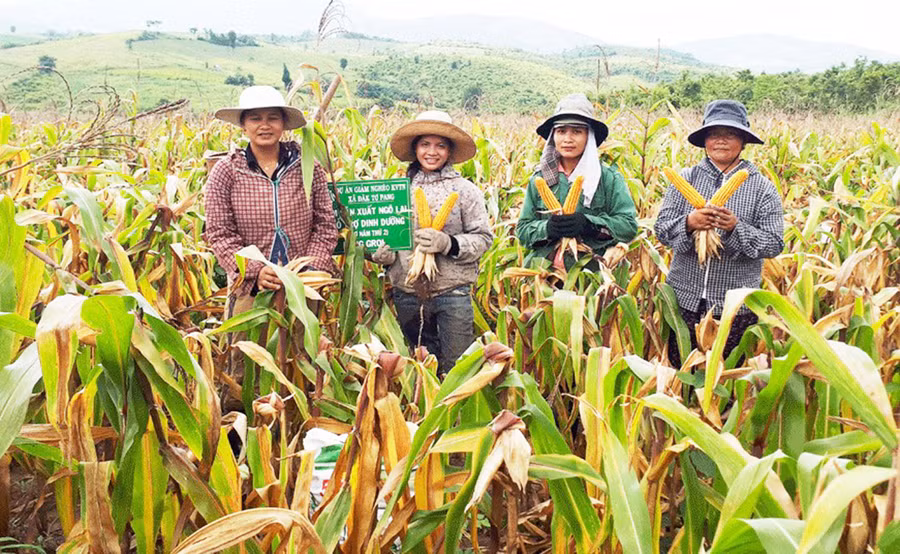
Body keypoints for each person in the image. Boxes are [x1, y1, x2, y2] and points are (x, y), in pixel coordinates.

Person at [204, 85, 338, 384]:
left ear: (283, 124)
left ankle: (297, 424)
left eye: (272, 118)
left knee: (301, 359)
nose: (264, 125)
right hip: (250, 289)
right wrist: (255, 270)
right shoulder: (227, 171)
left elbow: (326, 225)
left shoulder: (307, 166)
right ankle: (247, 424)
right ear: (243, 125)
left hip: (302, 286)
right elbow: (219, 232)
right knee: (246, 363)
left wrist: (309, 268)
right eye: (255, 118)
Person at [654, 99, 784, 367]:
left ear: (743, 141)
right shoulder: (686, 179)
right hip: (684, 300)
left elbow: (774, 243)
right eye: (714, 134)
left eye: (731, 134)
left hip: (735, 306)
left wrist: (736, 228)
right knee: (681, 374)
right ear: (704, 140)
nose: (721, 141)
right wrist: (689, 222)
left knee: (727, 380)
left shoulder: (762, 188)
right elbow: (662, 230)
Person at [372, 111, 493, 374]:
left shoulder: (465, 191)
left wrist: (448, 243)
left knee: (457, 370)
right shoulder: (397, 191)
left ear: (449, 151)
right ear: (415, 148)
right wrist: (385, 256)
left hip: (453, 292)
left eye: (440, 145)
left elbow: (483, 238)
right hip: (407, 292)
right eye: (425, 144)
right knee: (416, 369)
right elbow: (389, 239)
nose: (432, 152)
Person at [516, 93, 637, 269]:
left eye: (577, 132)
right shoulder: (541, 179)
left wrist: (590, 225)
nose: (567, 139)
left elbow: (628, 226)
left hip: (591, 275)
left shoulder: (608, 178)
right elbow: (523, 231)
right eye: (561, 131)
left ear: (589, 136)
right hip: (543, 276)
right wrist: (547, 228)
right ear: (553, 135)